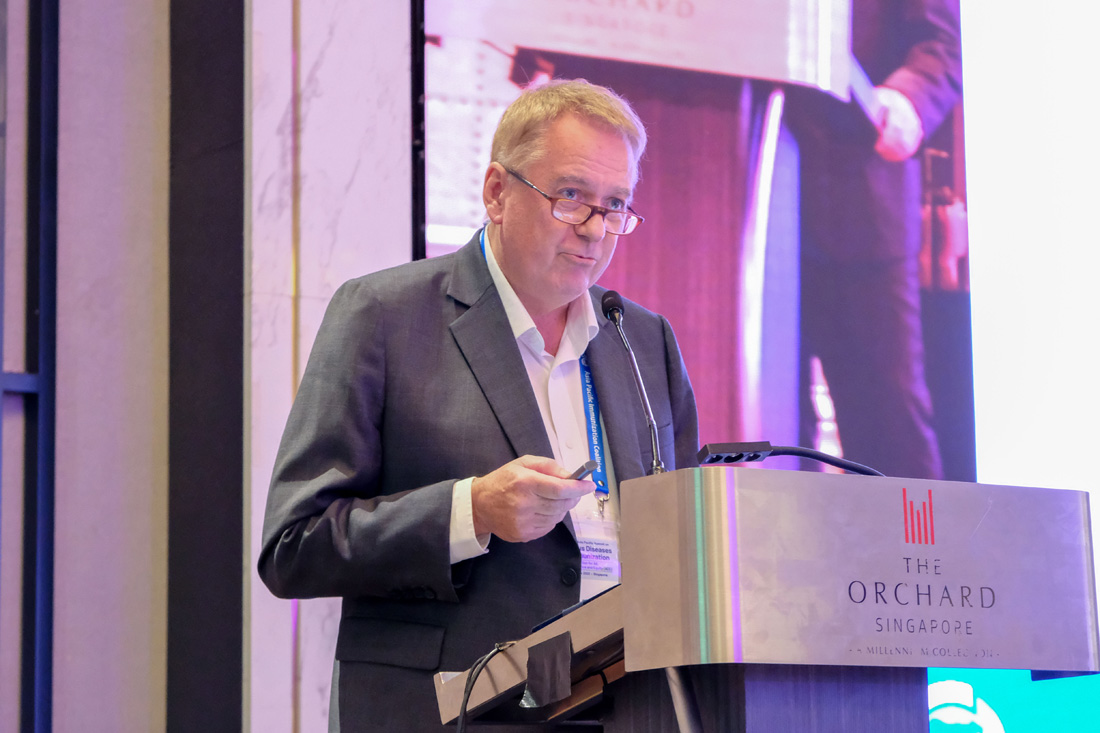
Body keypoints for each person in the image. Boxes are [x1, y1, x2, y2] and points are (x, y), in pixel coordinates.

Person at [258, 79, 700, 731]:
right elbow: (295, 545)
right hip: (445, 714)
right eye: (570, 196)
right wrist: (472, 511)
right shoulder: (384, 315)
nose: (594, 229)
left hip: (623, 711)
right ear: (497, 192)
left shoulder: (642, 339)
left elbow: (683, 538)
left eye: (615, 206)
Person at [789, 0, 963, 480]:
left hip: (860, 188)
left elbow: (941, 43)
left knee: (890, 433)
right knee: (763, 437)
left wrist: (910, 99)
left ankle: (915, 538)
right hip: (720, 175)